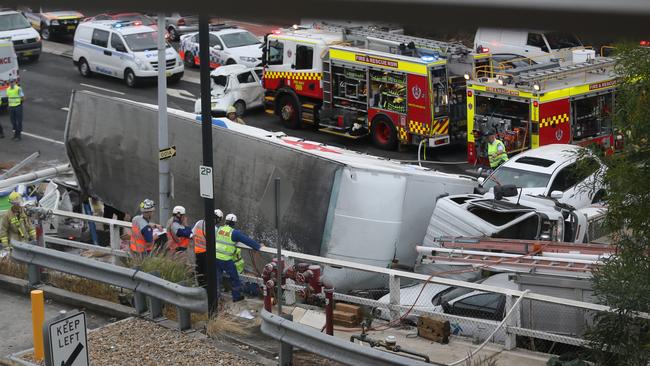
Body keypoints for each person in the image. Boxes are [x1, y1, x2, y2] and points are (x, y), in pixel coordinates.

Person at [215, 213, 263, 302]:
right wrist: (258, 246)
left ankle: (215, 297)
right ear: (234, 223)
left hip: (216, 258)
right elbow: (248, 241)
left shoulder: (218, 229)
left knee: (217, 278)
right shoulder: (234, 233)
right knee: (235, 278)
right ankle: (236, 297)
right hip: (226, 260)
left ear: (225, 221)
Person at [191, 209, 223, 288]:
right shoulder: (214, 229)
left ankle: (200, 288)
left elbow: (192, 234)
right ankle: (206, 291)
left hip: (197, 252)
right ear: (217, 219)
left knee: (199, 272)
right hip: (206, 253)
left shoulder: (199, 223)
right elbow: (216, 243)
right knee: (206, 274)